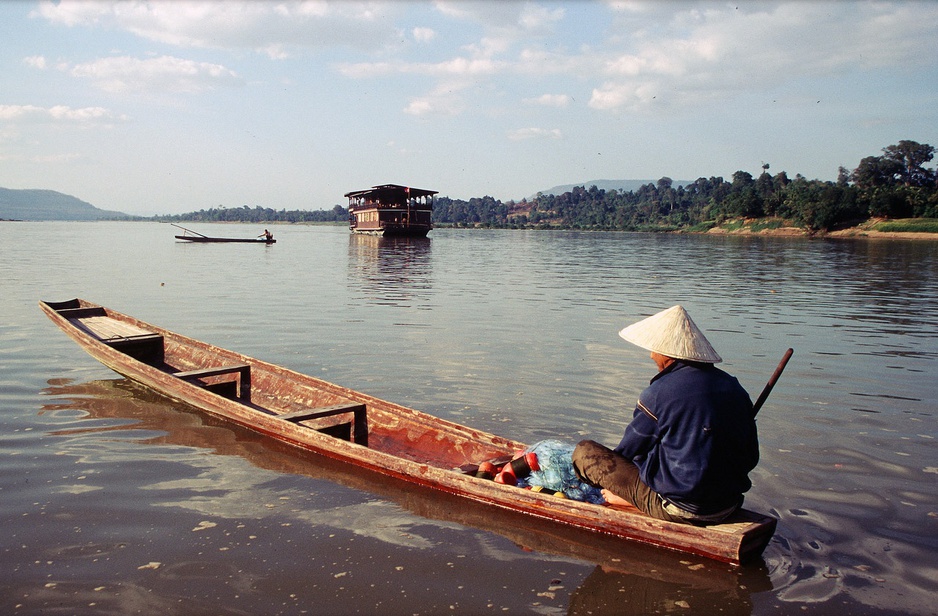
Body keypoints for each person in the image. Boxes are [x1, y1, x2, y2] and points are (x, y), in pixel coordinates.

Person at [572, 305, 758, 525]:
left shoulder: (659, 393)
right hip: (729, 504)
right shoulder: (734, 387)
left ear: (669, 354)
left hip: (681, 508)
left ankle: (631, 500)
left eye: (654, 350)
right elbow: (750, 457)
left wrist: (618, 486)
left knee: (585, 453)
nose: (652, 356)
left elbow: (627, 453)